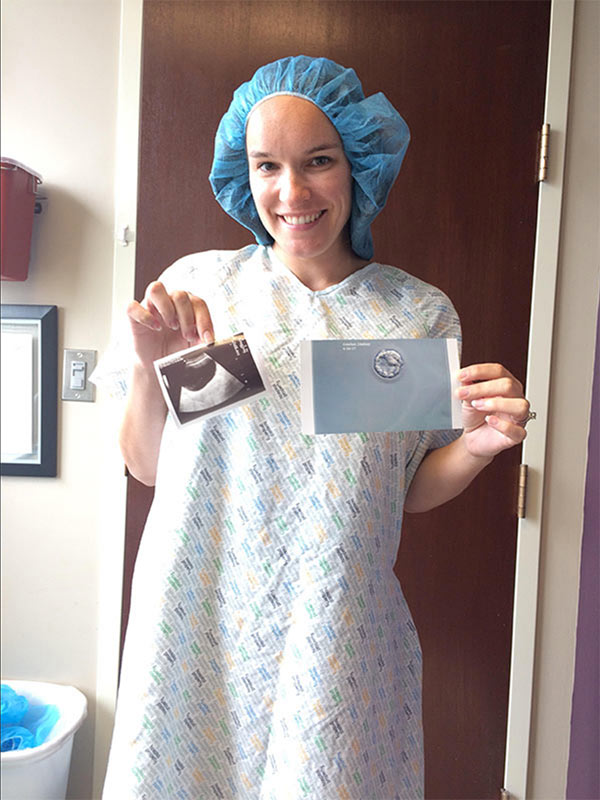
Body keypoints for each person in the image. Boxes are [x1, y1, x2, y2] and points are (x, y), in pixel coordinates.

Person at [100, 56, 532, 799]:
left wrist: (479, 446)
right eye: (267, 165)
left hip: (334, 632)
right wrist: (149, 369)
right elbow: (146, 465)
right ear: (245, 170)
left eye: (319, 162)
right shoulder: (203, 293)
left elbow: (403, 491)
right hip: (196, 618)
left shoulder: (414, 315)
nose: (291, 192)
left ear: (358, 166)